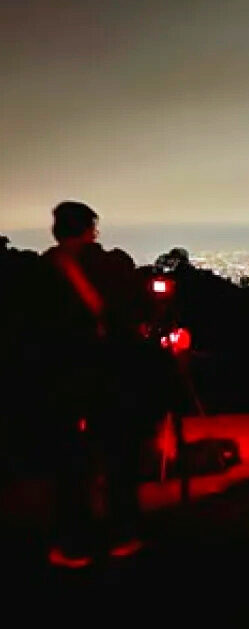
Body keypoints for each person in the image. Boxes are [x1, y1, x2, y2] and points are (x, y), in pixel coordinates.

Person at [35, 201, 152, 566]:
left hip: (63, 380)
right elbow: (137, 313)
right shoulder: (112, 265)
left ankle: (72, 542)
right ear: (91, 229)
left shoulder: (43, 271)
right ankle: (123, 533)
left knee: (70, 463)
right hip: (112, 377)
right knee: (118, 456)